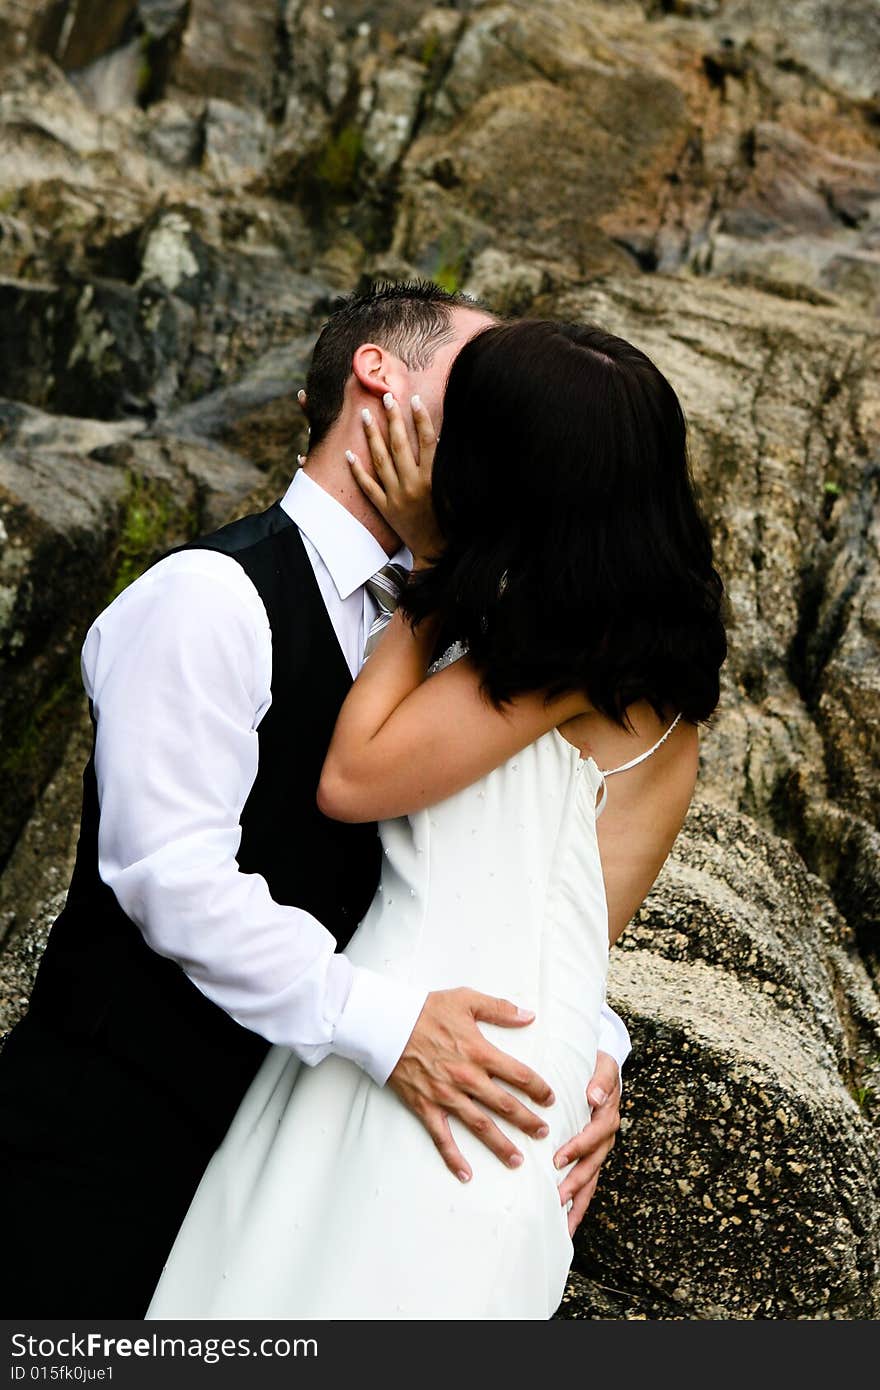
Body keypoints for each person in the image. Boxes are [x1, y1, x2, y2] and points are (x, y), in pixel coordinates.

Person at [0, 283, 630, 1318]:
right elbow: (173, 878)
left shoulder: (458, 644)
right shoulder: (209, 595)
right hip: (109, 1158)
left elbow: (490, 872)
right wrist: (388, 1027)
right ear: (378, 375)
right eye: (481, 385)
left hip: (311, 1179)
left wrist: (589, 1048)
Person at [145, 316, 727, 1319]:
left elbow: (355, 774)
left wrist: (430, 568)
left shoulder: (551, 655)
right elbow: (572, 928)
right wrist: (600, 1047)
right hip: (477, 1057)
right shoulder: (642, 659)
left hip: (442, 1076)